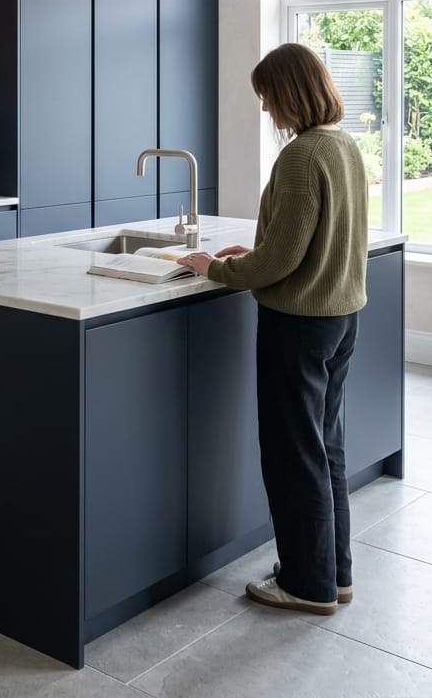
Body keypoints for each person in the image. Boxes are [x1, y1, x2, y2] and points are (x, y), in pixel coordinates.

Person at [177, 42, 368, 615]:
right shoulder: (343, 145)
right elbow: (308, 240)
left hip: (299, 324)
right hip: (340, 317)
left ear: (290, 93)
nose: (265, 109)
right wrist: (254, 252)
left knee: (293, 455)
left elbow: (283, 260)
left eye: (267, 97)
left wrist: (217, 269)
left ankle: (306, 586)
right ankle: (333, 575)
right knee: (326, 448)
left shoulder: (301, 156)